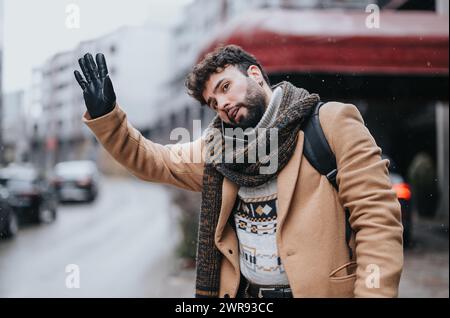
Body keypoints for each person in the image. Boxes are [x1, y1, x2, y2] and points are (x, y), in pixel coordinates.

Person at [74, 45, 403, 298]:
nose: (221, 104)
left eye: (225, 86)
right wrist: (108, 117)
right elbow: (153, 160)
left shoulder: (329, 122)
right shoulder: (218, 151)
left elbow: (377, 221)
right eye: (213, 103)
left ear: (256, 75)